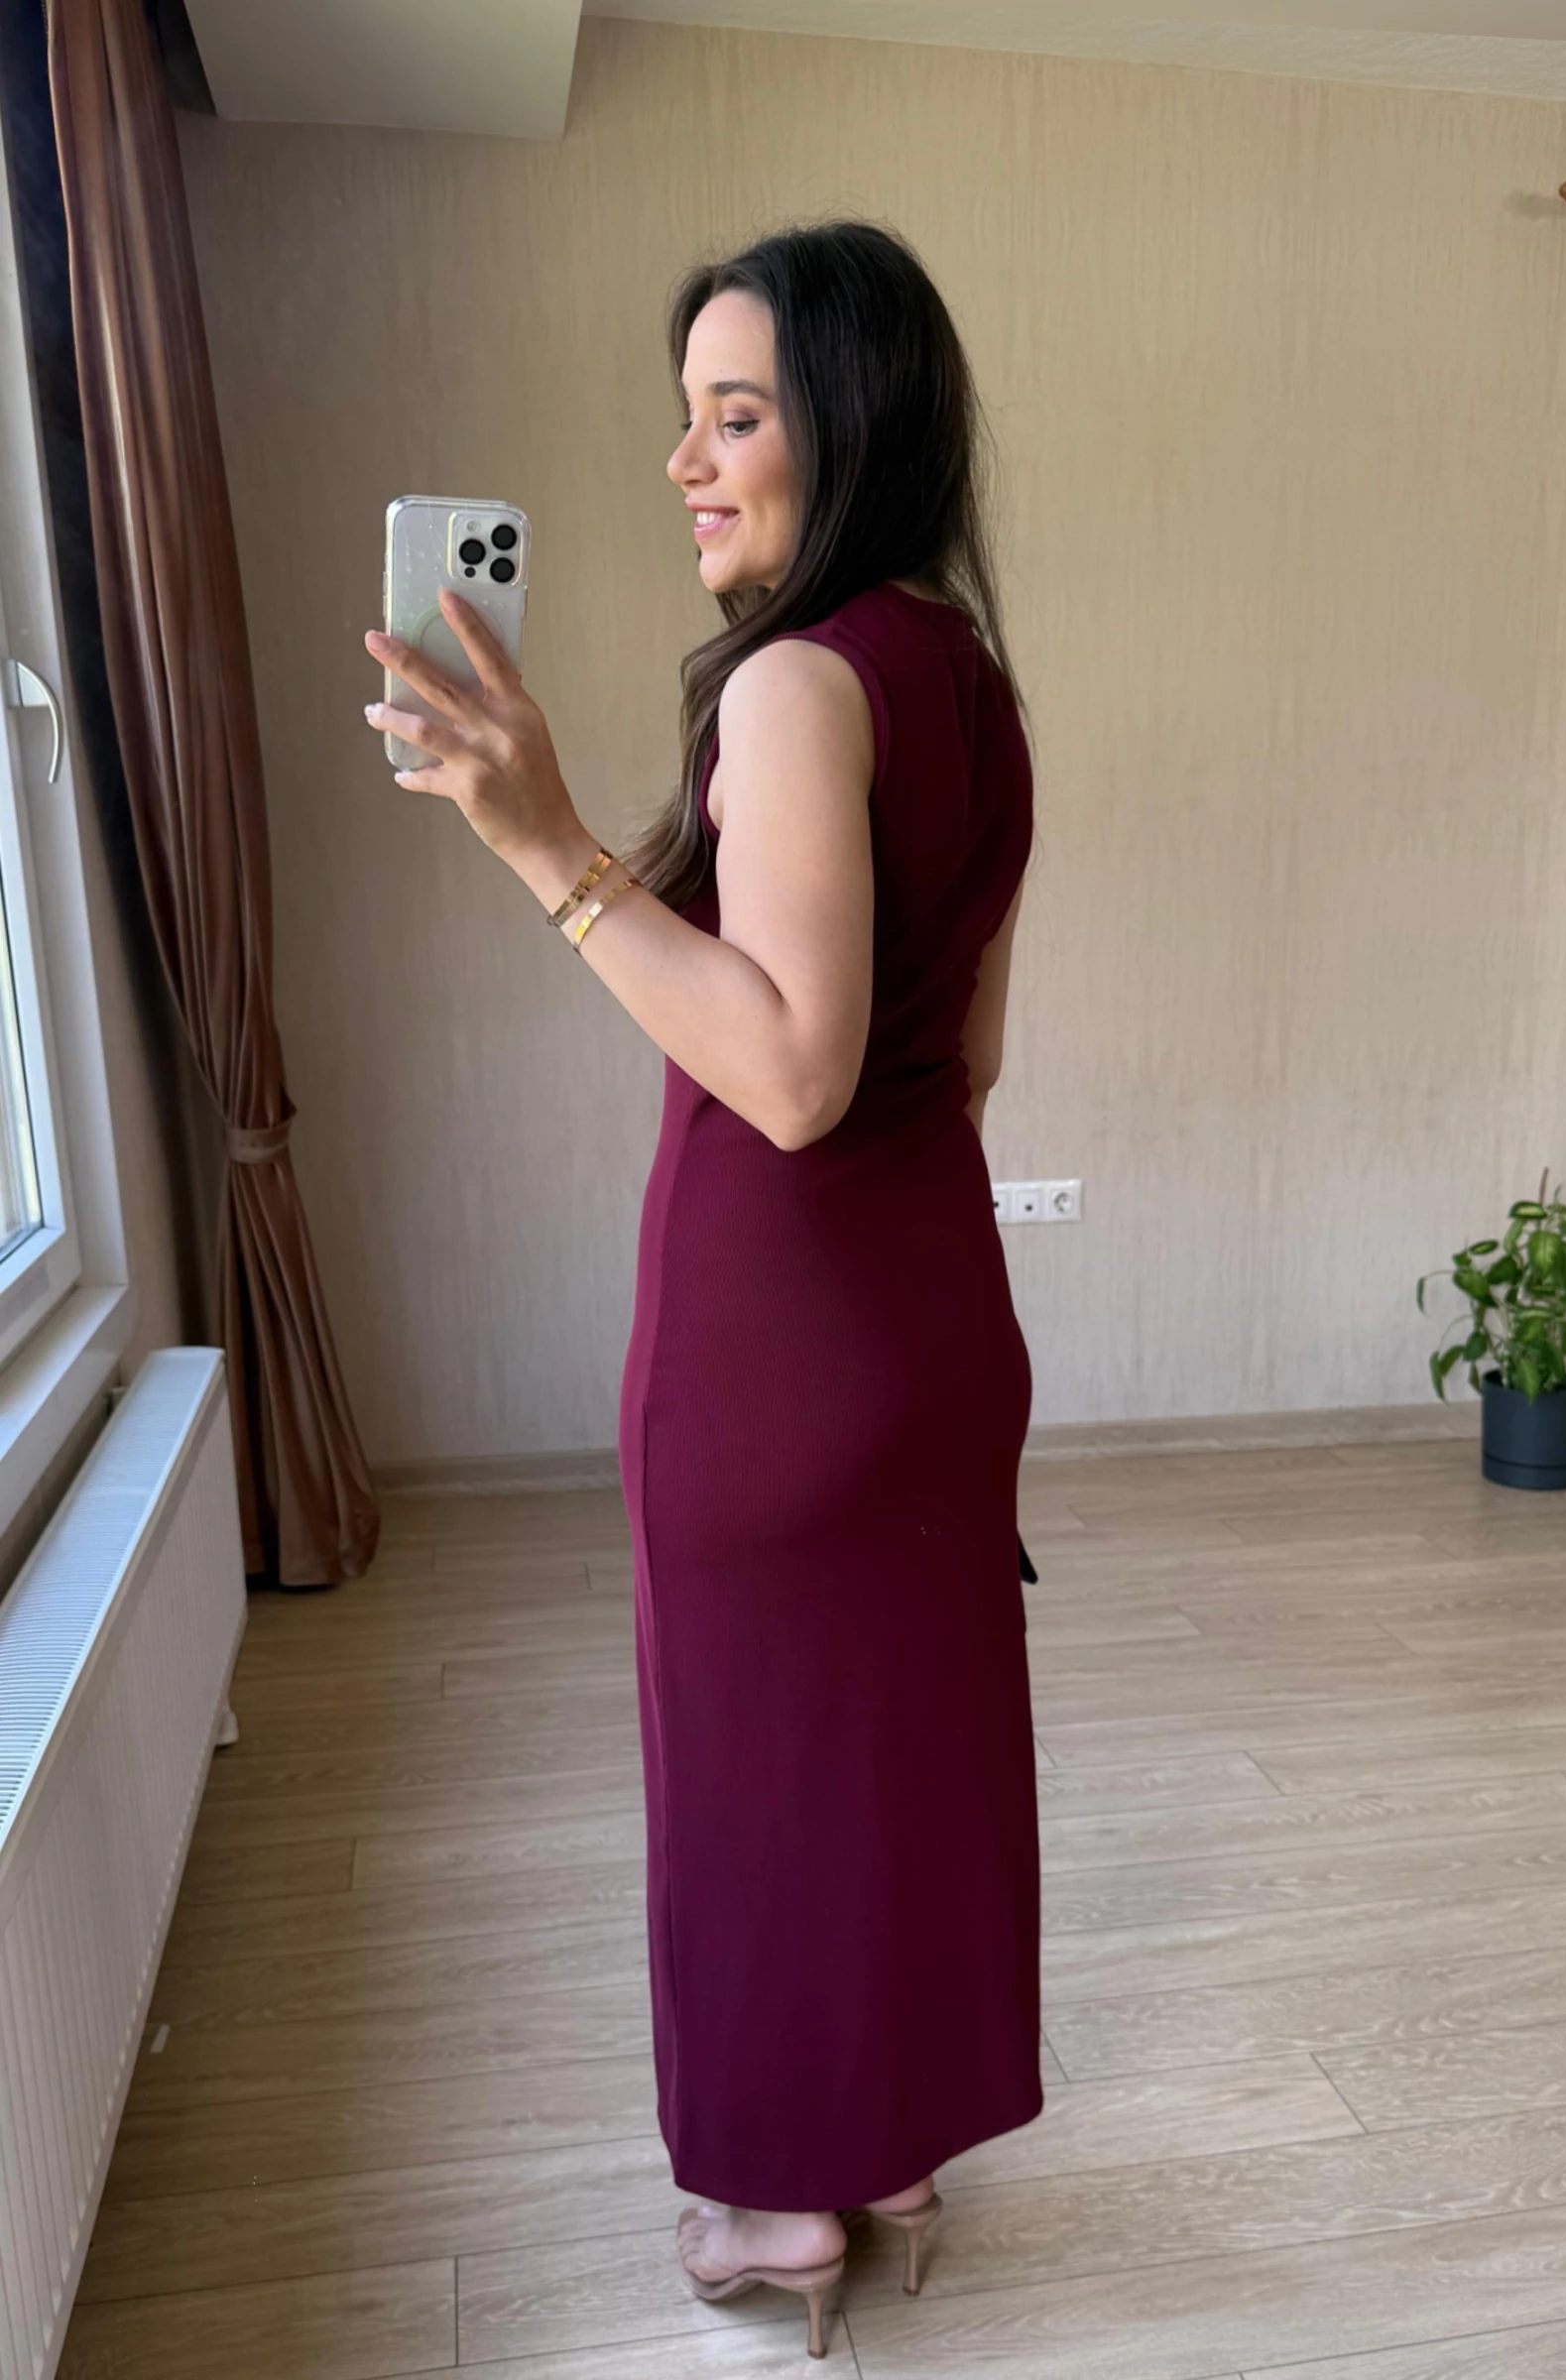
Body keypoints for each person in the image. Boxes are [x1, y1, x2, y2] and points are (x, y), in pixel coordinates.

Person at [362, 216, 1041, 2361]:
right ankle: (895, 2148)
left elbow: (789, 1071)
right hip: (937, 1320)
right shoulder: (967, 681)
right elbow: (965, 1054)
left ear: (850, 426)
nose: (685, 460)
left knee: (754, 1775)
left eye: (734, 415)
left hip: (777, 1348)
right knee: (901, 1746)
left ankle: (773, 2198)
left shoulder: (792, 684)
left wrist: (543, 846)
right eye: (688, 416)